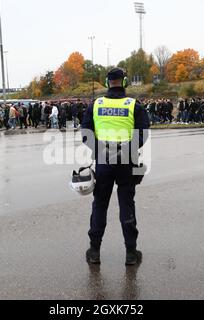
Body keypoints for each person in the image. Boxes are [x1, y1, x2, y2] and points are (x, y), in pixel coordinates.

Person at [81, 67, 149, 266]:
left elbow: (85, 132)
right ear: (125, 82)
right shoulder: (133, 105)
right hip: (127, 161)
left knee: (100, 205)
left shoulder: (96, 104)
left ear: (106, 82)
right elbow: (143, 133)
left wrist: (99, 149)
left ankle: (94, 251)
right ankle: (130, 252)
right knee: (127, 204)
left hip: (103, 161)